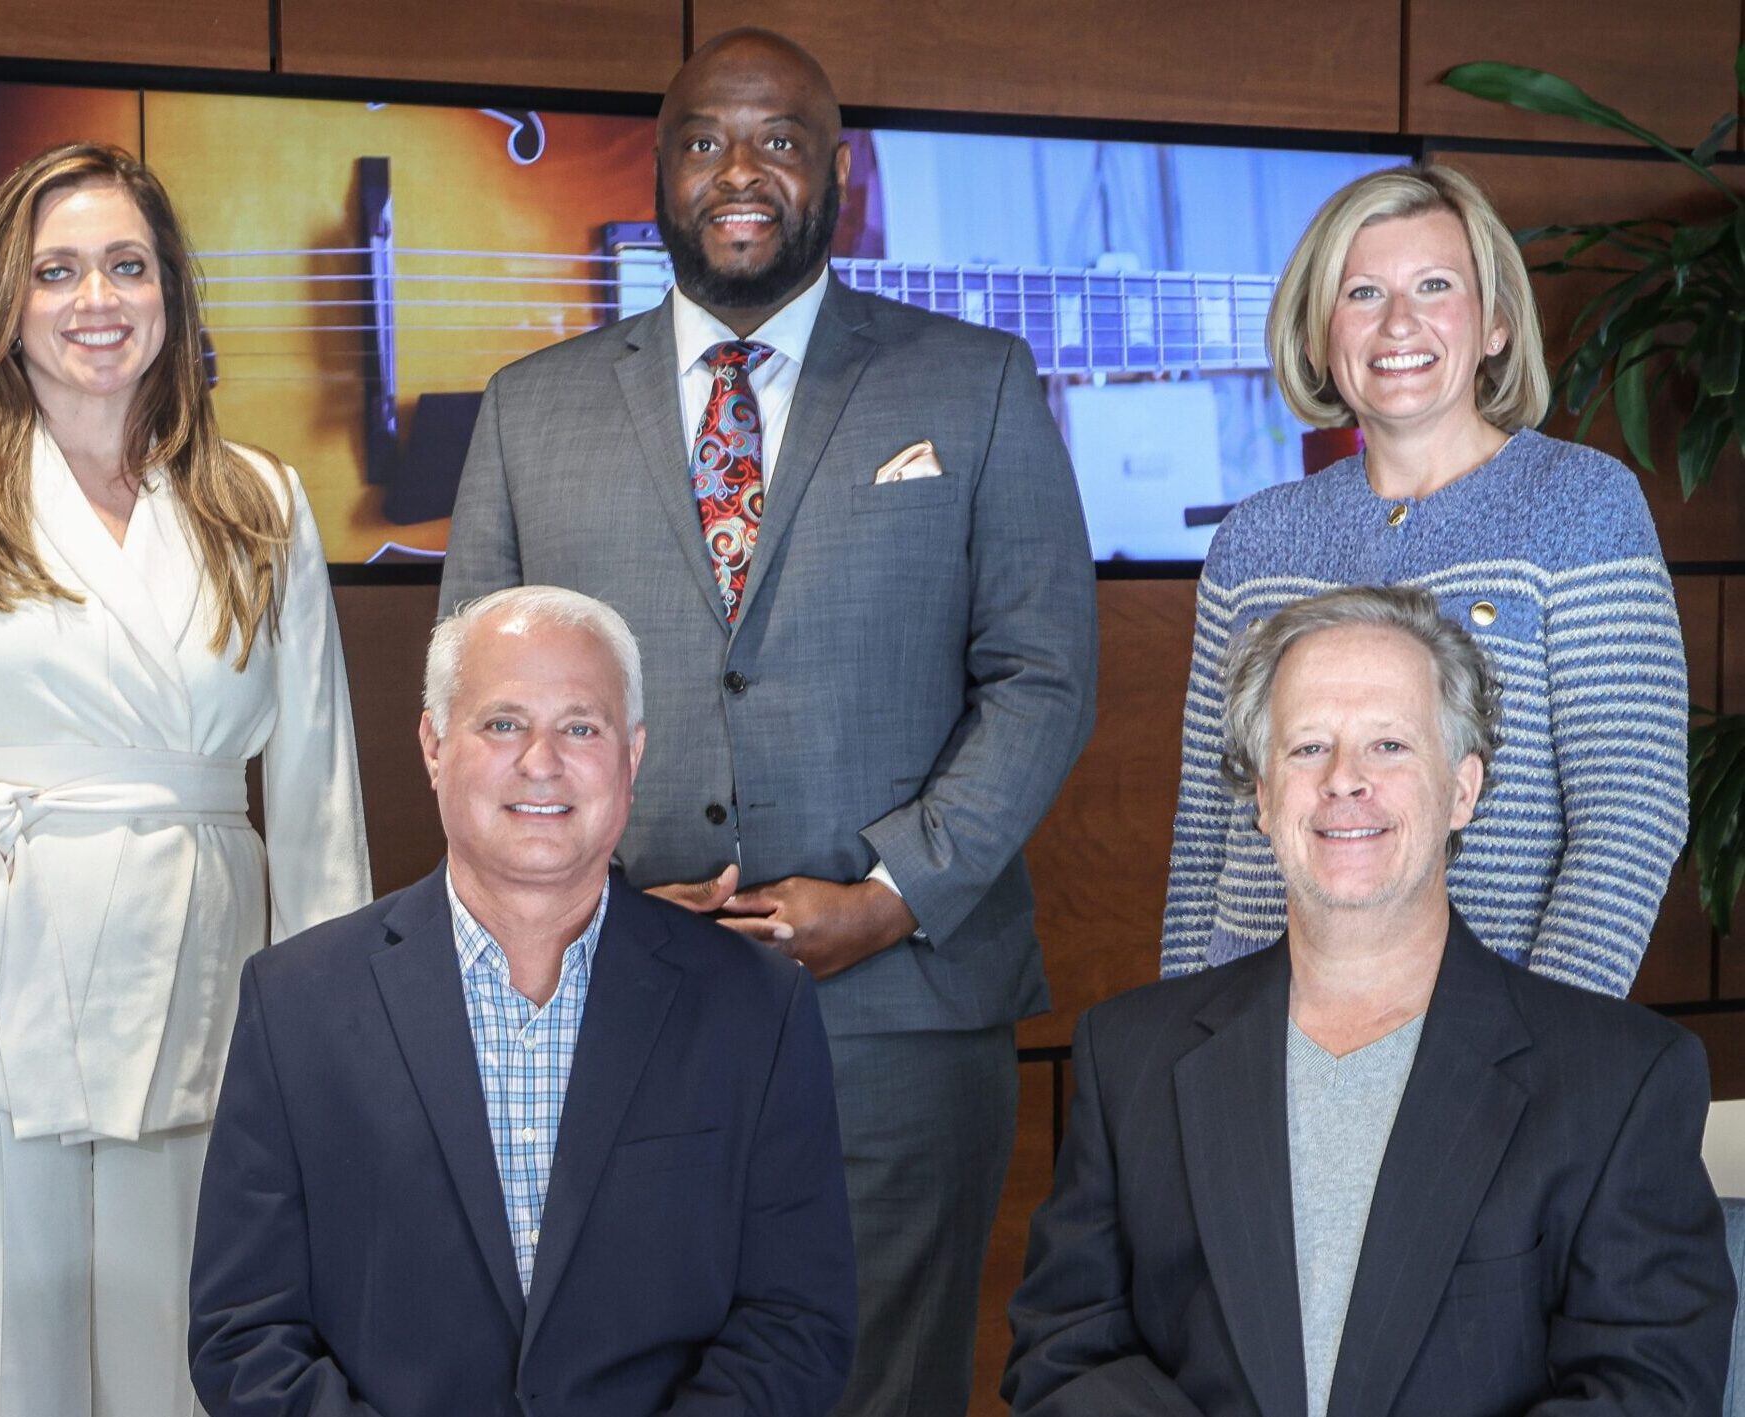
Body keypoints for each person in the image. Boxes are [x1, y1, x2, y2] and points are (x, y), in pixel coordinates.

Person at [438, 29, 1095, 1415]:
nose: (739, 172)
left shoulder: (971, 386)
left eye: (779, 140)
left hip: (900, 1013)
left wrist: (892, 892)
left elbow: (1040, 677)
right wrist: (583, 899)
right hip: (603, 1005)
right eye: (702, 141)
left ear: (837, 176)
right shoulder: (528, 413)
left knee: (882, 1382)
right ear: (660, 172)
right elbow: (477, 714)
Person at [0, 141, 369, 1417]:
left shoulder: (260, 502)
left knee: (191, 1353)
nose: (95, 299)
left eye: (126, 265)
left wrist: (328, 1038)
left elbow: (321, 799)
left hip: (206, 987)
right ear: (7, 296)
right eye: (57, 271)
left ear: (171, 292)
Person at [1008, 585, 1732, 1417]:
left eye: (1389, 744)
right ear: (1263, 795)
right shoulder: (1128, 1055)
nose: (1345, 780)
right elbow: (1064, 1350)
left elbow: (1649, 1390)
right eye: (1308, 746)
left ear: (1463, 790)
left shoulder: (1622, 1080)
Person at [190, 586, 854, 1415]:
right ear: (434, 745)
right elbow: (244, 1333)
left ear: (632, 755)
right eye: (503, 723)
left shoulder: (756, 1007)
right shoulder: (297, 1003)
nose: (542, 760)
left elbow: (796, 1321)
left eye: (581, 726)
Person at [1162, 162, 1686, 997]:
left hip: (1489, 1031)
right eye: (1362, 293)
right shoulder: (1253, 539)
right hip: (1254, 1014)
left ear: (1494, 326)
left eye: (1435, 285)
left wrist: (1546, 1040)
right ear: (1317, 335)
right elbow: (1206, 820)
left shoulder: (1581, 504)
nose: (1398, 322)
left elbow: (1630, 813)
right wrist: (1178, 1030)